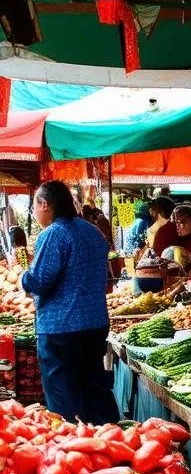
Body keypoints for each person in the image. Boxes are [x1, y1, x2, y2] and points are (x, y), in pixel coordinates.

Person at [20, 180, 119, 424]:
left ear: (44, 204)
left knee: (64, 396)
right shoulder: (91, 231)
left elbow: (39, 280)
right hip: (94, 324)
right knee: (94, 388)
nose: (35, 212)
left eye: (35, 206)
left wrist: (24, 278)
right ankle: (110, 443)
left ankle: (72, 449)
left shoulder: (54, 234)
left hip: (60, 328)